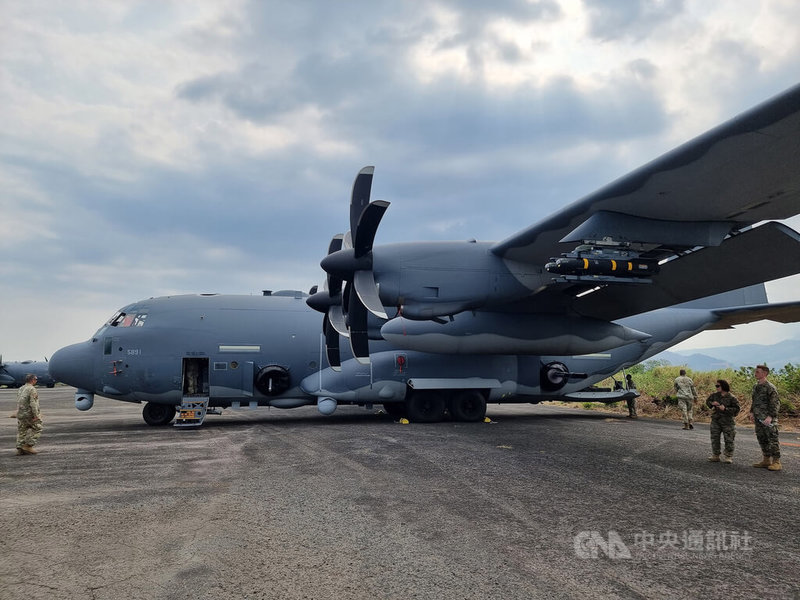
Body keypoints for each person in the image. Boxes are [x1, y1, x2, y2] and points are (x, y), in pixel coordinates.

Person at [749, 365, 781, 471]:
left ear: (764, 374)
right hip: (758, 417)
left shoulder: (770, 387)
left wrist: (770, 416)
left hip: (768, 418)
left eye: (758, 372)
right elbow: (754, 401)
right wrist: (751, 412)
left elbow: (775, 403)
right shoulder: (756, 386)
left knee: (772, 439)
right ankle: (766, 459)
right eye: (756, 371)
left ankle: (776, 461)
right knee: (762, 438)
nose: (755, 373)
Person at [706, 379, 740, 463]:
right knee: (715, 438)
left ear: (723, 386)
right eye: (716, 386)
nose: (716, 387)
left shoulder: (732, 397)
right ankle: (715, 455)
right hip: (716, 420)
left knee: (729, 439)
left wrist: (725, 409)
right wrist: (712, 404)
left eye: (718, 386)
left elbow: (737, 410)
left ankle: (728, 456)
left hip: (727, 421)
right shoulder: (714, 395)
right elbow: (708, 401)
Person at [16, 373, 42, 455]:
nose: (36, 381)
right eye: (36, 379)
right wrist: (36, 415)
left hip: (21, 413)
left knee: (22, 430)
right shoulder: (32, 389)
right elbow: (33, 403)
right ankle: (28, 445)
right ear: (32, 380)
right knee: (38, 428)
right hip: (29, 414)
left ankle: (20, 449)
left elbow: (19, 401)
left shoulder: (21, 388)